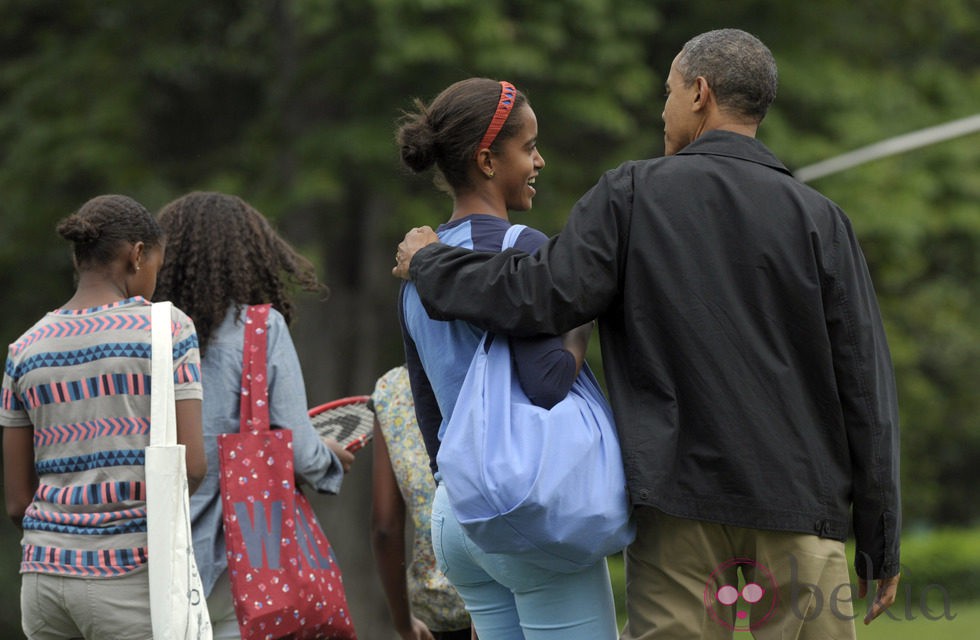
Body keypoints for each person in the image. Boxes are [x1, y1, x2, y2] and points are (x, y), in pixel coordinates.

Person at [393, 29, 902, 640]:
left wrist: (429, 263)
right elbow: (866, 388)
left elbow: (537, 297)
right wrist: (879, 535)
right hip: (799, 508)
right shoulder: (822, 219)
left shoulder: (630, 195)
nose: (662, 107)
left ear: (699, 94)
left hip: (676, 510)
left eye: (667, 90)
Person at [396, 77, 619, 639]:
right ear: (488, 160)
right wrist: (580, 318)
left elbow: (429, 408)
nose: (539, 161)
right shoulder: (523, 246)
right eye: (528, 147)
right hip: (525, 506)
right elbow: (546, 382)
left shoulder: (416, 268)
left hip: (459, 509)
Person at [1, 195, 206, 640]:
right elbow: (191, 467)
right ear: (136, 255)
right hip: (130, 574)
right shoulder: (167, 329)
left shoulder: (24, 349)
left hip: (43, 581)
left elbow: (18, 501)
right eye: (156, 264)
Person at [153, 191, 355, 640]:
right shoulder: (261, 331)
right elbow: (301, 453)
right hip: (241, 564)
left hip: (147, 561)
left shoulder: (143, 335)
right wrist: (329, 458)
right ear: (250, 256)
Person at [370, 364, 473, 640]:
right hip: (505, 592)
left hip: (438, 610)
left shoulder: (392, 388)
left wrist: (403, 623)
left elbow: (385, 526)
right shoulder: (485, 362)